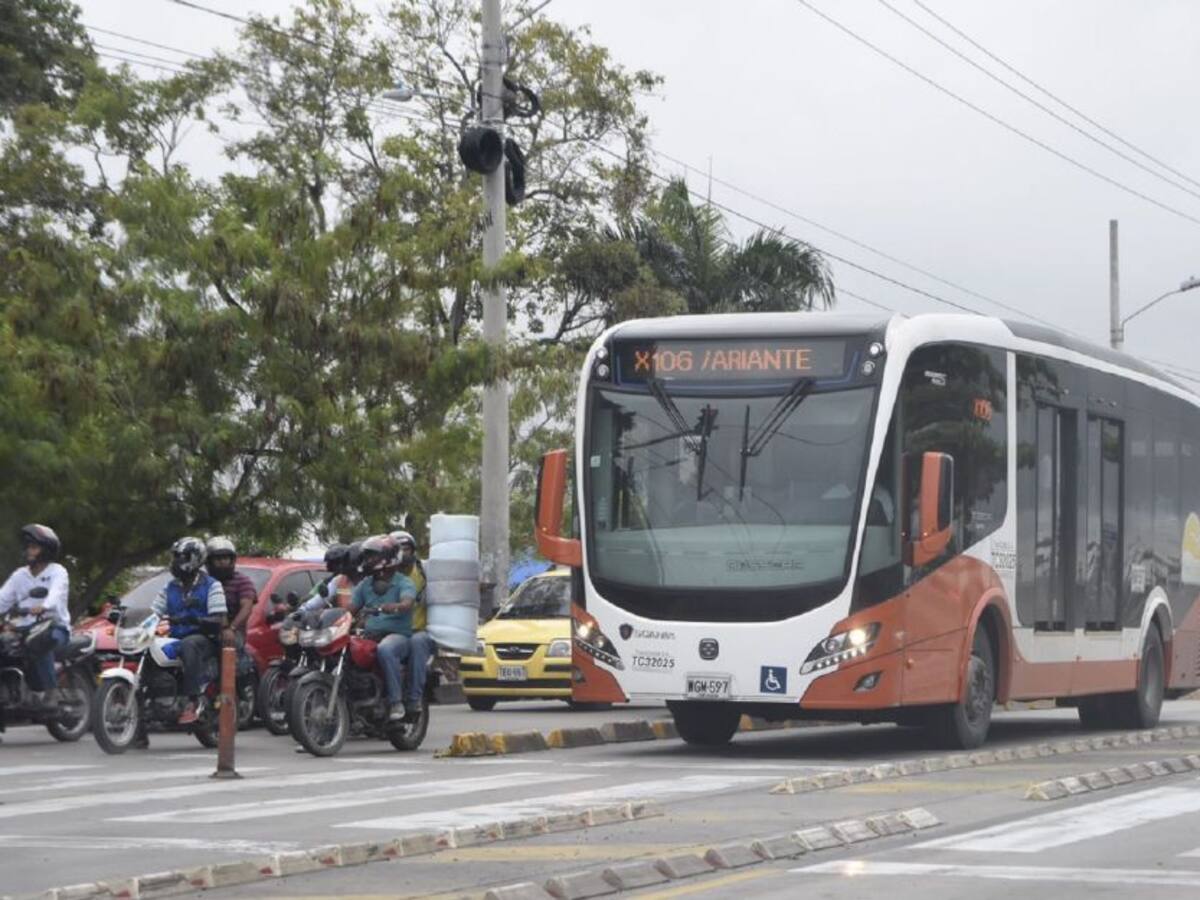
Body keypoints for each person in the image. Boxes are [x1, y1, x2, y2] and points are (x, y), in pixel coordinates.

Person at [151, 536, 227, 725]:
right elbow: (153, 613)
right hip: (176, 638)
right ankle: (146, 707)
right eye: (175, 556)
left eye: (180, 556)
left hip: (204, 639)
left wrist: (197, 620)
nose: (175, 561)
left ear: (195, 558)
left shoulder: (212, 585)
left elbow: (220, 618)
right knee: (148, 649)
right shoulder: (170, 587)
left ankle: (193, 700)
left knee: (189, 644)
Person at [0, 525, 70, 709]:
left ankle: (50, 691)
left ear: (45, 549)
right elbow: (2, 599)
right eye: (28, 547)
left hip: (55, 628)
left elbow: (56, 593)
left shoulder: (58, 572)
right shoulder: (19, 575)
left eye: (34, 547)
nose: (29, 551)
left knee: (39, 640)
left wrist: (44, 606)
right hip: (23, 629)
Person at [351, 536, 417, 721]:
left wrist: (397, 605)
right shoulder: (365, 584)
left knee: (385, 649)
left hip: (397, 636)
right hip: (370, 635)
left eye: (373, 556)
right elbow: (351, 608)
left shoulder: (403, 582)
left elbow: (408, 601)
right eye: (368, 557)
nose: (368, 561)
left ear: (388, 557)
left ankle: (396, 702)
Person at [391, 530, 435, 716]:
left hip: (420, 631)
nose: (402, 553)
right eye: (397, 550)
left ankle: (414, 699)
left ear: (413, 550)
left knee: (417, 643)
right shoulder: (384, 573)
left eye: (406, 549)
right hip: (393, 631)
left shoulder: (425, 571)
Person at [204, 537, 256, 640]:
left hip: (234, 631)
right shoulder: (203, 582)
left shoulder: (242, 581)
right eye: (218, 559)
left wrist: (231, 628)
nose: (223, 562)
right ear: (209, 561)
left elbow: (246, 607)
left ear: (232, 560)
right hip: (204, 630)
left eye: (226, 558)